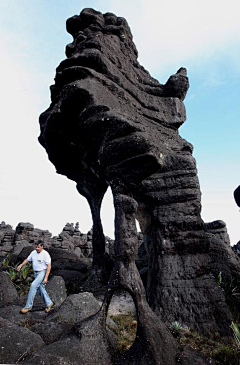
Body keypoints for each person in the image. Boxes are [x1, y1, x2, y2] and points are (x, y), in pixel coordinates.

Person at [17, 241, 53, 314]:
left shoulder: (45, 254)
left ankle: (28, 306)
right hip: (36, 273)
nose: (37, 248)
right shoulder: (33, 252)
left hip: (42, 272)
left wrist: (46, 278)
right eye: (36, 247)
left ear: (42, 246)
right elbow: (27, 260)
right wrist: (21, 265)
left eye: (38, 247)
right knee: (40, 289)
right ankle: (49, 303)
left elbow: (49, 267)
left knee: (33, 285)